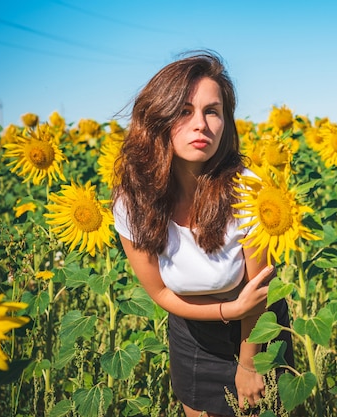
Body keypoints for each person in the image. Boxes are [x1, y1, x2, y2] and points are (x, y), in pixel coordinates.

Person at [112, 50, 293, 417]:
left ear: (226, 121)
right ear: (158, 117)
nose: (201, 124)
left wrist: (248, 364)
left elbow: (257, 289)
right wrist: (228, 308)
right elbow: (160, 292)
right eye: (184, 110)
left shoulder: (251, 190)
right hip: (191, 332)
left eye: (212, 111)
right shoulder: (132, 201)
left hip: (258, 328)